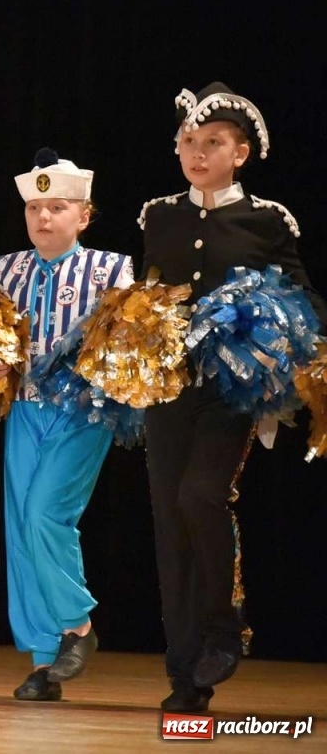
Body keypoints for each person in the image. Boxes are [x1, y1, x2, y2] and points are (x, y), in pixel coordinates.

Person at [139, 82, 323, 713]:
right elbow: (148, 295)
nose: (198, 152)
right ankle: (185, 676)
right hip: (167, 388)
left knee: (201, 496)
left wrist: (284, 337)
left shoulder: (267, 220)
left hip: (232, 389)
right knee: (170, 520)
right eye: (189, 141)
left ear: (240, 153)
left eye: (212, 143)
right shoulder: (158, 215)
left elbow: (303, 299)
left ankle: (225, 624)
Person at [0, 149, 133, 701]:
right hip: (23, 407)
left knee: (48, 512)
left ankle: (79, 625)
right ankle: (46, 661)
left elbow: (122, 342)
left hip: (82, 411)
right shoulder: (5, 269)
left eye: (57, 207)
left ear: (84, 215)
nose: (43, 217)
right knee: (23, 525)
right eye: (34, 207)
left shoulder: (113, 269)